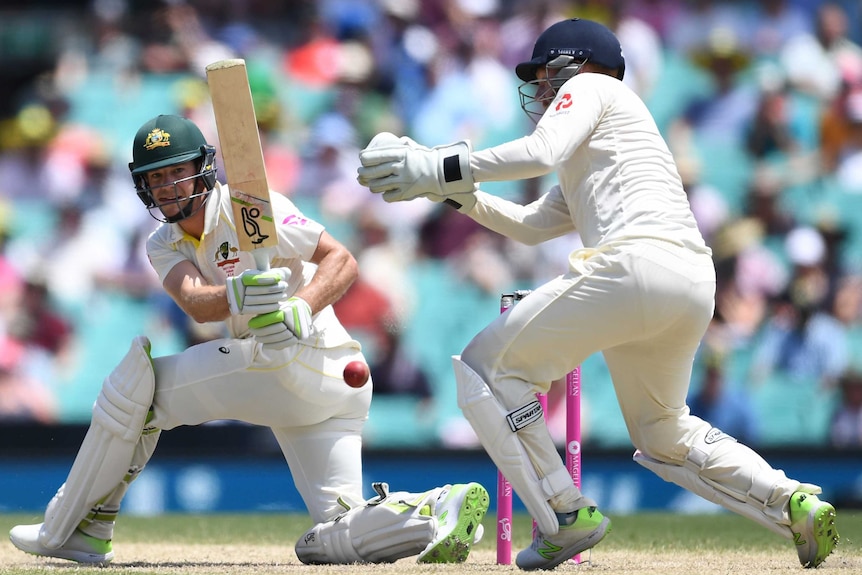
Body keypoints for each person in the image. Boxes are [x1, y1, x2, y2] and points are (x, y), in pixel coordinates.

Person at [357, 18, 839, 571]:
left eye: (543, 76)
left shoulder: (594, 88)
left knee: (485, 368)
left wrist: (434, 163)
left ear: (576, 64)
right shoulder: (609, 139)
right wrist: (450, 192)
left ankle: (564, 514)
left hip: (631, 267)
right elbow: (533, 225)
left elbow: (537, 152)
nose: (539, 91)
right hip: (686, 283)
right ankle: (793, 501)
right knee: (663, 432)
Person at [8, 114, 489, 566]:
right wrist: (238, 294)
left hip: (300, 355)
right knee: (330, 535)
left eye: (176, 172)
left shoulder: (253, 208)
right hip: (306, 386)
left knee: (138, 386)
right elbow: (196, 303)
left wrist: (302, 304)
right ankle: (431, 511)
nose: (166, 186)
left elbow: (341, 260)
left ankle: (71, 527)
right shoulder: (161, 243)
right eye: (155, 178)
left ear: (202, 169)